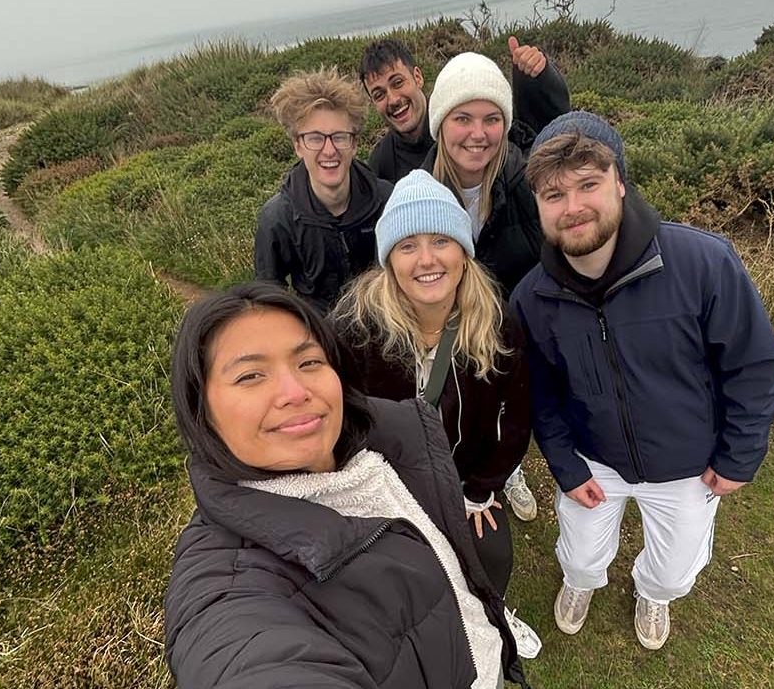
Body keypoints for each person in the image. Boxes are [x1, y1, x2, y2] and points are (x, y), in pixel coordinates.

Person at [163, 281, 529, 689]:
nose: (295, 392)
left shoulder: (389, 445)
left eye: (309, 363)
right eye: (251, 375)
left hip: (482, 659)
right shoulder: (229, 592)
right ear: (201, 412)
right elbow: (247, 659)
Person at [510, 111, 774, 650]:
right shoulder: (531, 298)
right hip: (594, 459)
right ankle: (581, 582)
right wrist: (565, 465)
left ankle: (652, 592)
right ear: (538, 206)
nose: (574, 207)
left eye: (588, 184)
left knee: (675, 565)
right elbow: (540, 396)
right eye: (553, 195)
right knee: (582, 552)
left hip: (689, 465)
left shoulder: (702, 262)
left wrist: (739, 455)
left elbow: (752, 364)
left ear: (620, 182)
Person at [331, 170, 541, 659]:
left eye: (441, 240)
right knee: (402, 576)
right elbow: (334, 420)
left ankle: (492, 615)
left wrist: (483, 488)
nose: (426, 259)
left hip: (463, 481)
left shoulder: (496, 321)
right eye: (407, 245)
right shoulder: (353, 328)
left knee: (491, 555)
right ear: (388, 261)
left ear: (464, 254)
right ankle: (434, 636)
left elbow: (517, 416)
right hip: (385, 487)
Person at [417, 47, 569, 520]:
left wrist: (540, 80)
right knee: (469, 404)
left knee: (512, 402)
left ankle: (511, 467)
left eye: (491, 118)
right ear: (440, 124)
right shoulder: (419, 190)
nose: (478, 134)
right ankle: (479, 469)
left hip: (515, 324)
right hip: (449, 326)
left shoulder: (524, 178)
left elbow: (564, 133)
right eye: (463, 118)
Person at [254, 66, 392, 313]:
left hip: (381, 330)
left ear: (354, 143)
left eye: (339, 137)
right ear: (298, 145)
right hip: (318, 336)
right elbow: (270, 299)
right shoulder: (277, 219)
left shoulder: (387, 201)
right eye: (315, 138)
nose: (329, 150)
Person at [360, 36, 570, 185]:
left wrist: (539, 80)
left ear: (417, 77)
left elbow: (545, 139)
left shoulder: (466, 116)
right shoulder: (382, 161)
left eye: (397, 82)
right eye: (379, 94)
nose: (393, 99)